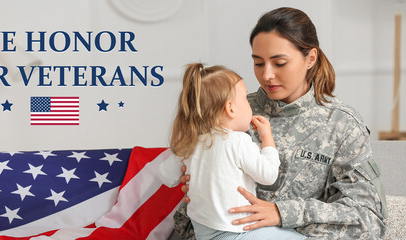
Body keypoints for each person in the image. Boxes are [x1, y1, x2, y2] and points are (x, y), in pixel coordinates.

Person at [171, 7, 388, 240]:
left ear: (310, 58)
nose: (267, 75)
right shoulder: (228, 111)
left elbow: (370, 221)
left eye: (280, 63)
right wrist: (197, 184)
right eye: (258, 63)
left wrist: (283, 213)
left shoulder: (342, 126)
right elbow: (186, 221)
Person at [159, 63, 306, 240]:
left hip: (202, 233)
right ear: (230, 108)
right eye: (244, 98)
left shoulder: (189, 141)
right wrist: (267, 139)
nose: (248, 103)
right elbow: (268, 176)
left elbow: (167, 177)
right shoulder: (238, 140)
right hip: (235, 233)